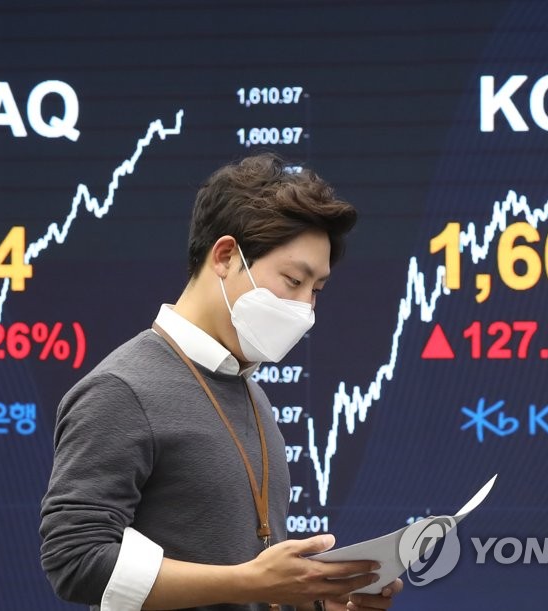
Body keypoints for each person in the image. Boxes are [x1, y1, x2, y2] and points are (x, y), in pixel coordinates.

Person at [40, 153, 404, 610]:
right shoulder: (122, 389)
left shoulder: (252, 395)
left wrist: (318, 600)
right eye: (293, 280)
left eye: (316, 290)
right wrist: (250, 583)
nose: (305, 308)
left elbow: (251, 576)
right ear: (226, 256)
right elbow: (74, 558)